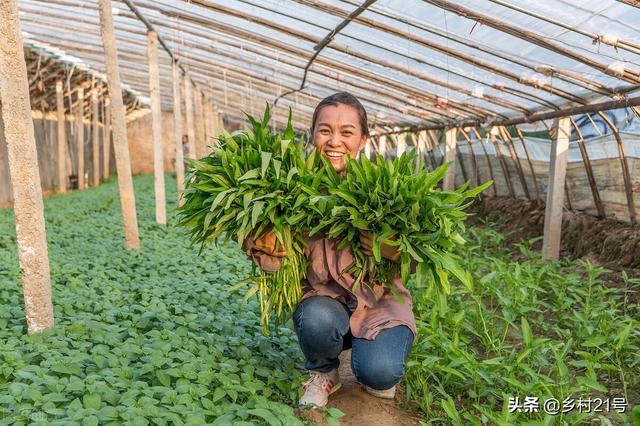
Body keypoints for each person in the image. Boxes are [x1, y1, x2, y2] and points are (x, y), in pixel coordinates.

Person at [244, 92, 416, 407]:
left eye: (346, 132)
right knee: (317, 318)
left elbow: (420, 254)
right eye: (325, 131)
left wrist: (395, 250)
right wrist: (262, 244)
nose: (334, 141)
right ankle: (324, 371)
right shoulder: (291, 187)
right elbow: (261, 244)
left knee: (380, 373)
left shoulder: (387, 189)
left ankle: (374, 360)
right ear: (313, 135)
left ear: (363, 140)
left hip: (379, 307)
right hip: (324, 305)